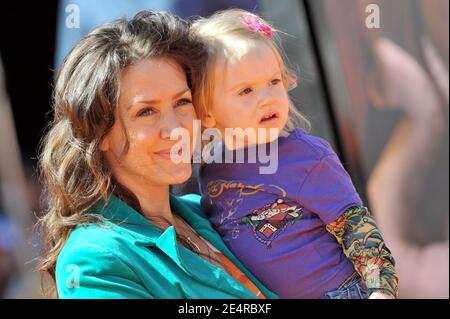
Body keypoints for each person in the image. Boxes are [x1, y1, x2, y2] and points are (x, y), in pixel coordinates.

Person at [37, 10, 276, 299]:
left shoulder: (211, 209)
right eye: (146, 111)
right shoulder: (94, 260)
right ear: (100, 133)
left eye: (182, 102)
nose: (175, 129)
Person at [192, 9, 398, 299]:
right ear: (207, 113)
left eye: (274, 82)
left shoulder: (305, 156)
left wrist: (380, 290)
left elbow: (356, 226)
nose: (268, 98)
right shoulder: (210, 170)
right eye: (246, 90)